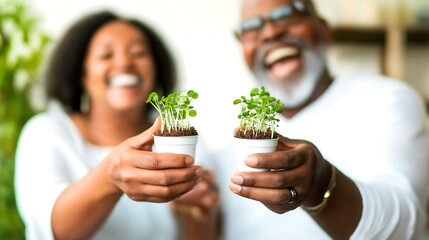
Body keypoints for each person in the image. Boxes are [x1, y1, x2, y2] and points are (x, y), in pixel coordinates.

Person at [211, 0, 429, 239]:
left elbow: (406, 226)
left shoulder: (387, 99)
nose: (271, 32)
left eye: (287, 15)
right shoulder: (226, 134)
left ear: (325, 30)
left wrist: (322, 185)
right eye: (251, 27)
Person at [14, 11, 218, 240]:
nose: (124, 63)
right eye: (105, 55)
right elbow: (52, 231)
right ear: (81, 73)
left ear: (156, 70)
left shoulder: (186, 143)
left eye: (138, 53)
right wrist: (111, 175)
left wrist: (197, 218)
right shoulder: (47, 133)